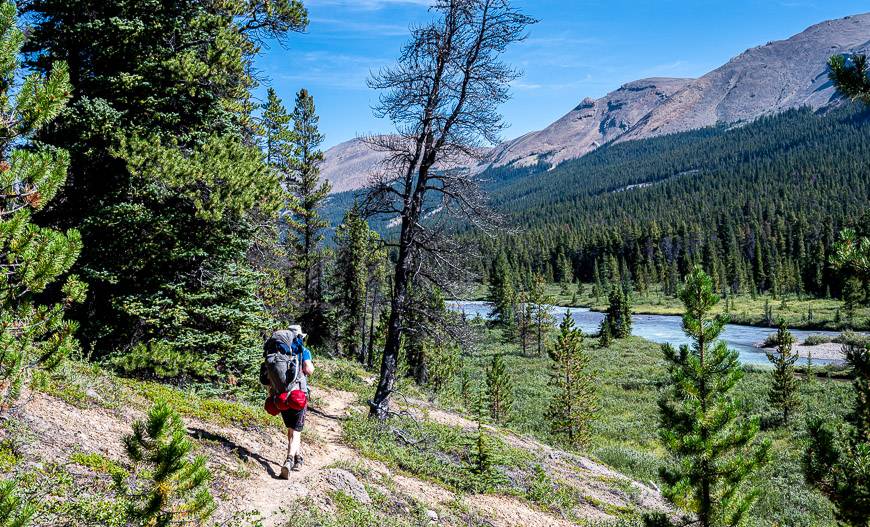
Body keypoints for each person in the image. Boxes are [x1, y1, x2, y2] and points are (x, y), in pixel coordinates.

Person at [267, 325, 314, 478]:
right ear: (300, 336)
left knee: (291, 429)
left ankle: (297, 458)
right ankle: (288, 460)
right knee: (297, 432)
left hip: (280, 397)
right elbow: (309, 369)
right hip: (298, 396)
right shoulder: (303, 350)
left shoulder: (276, 351)